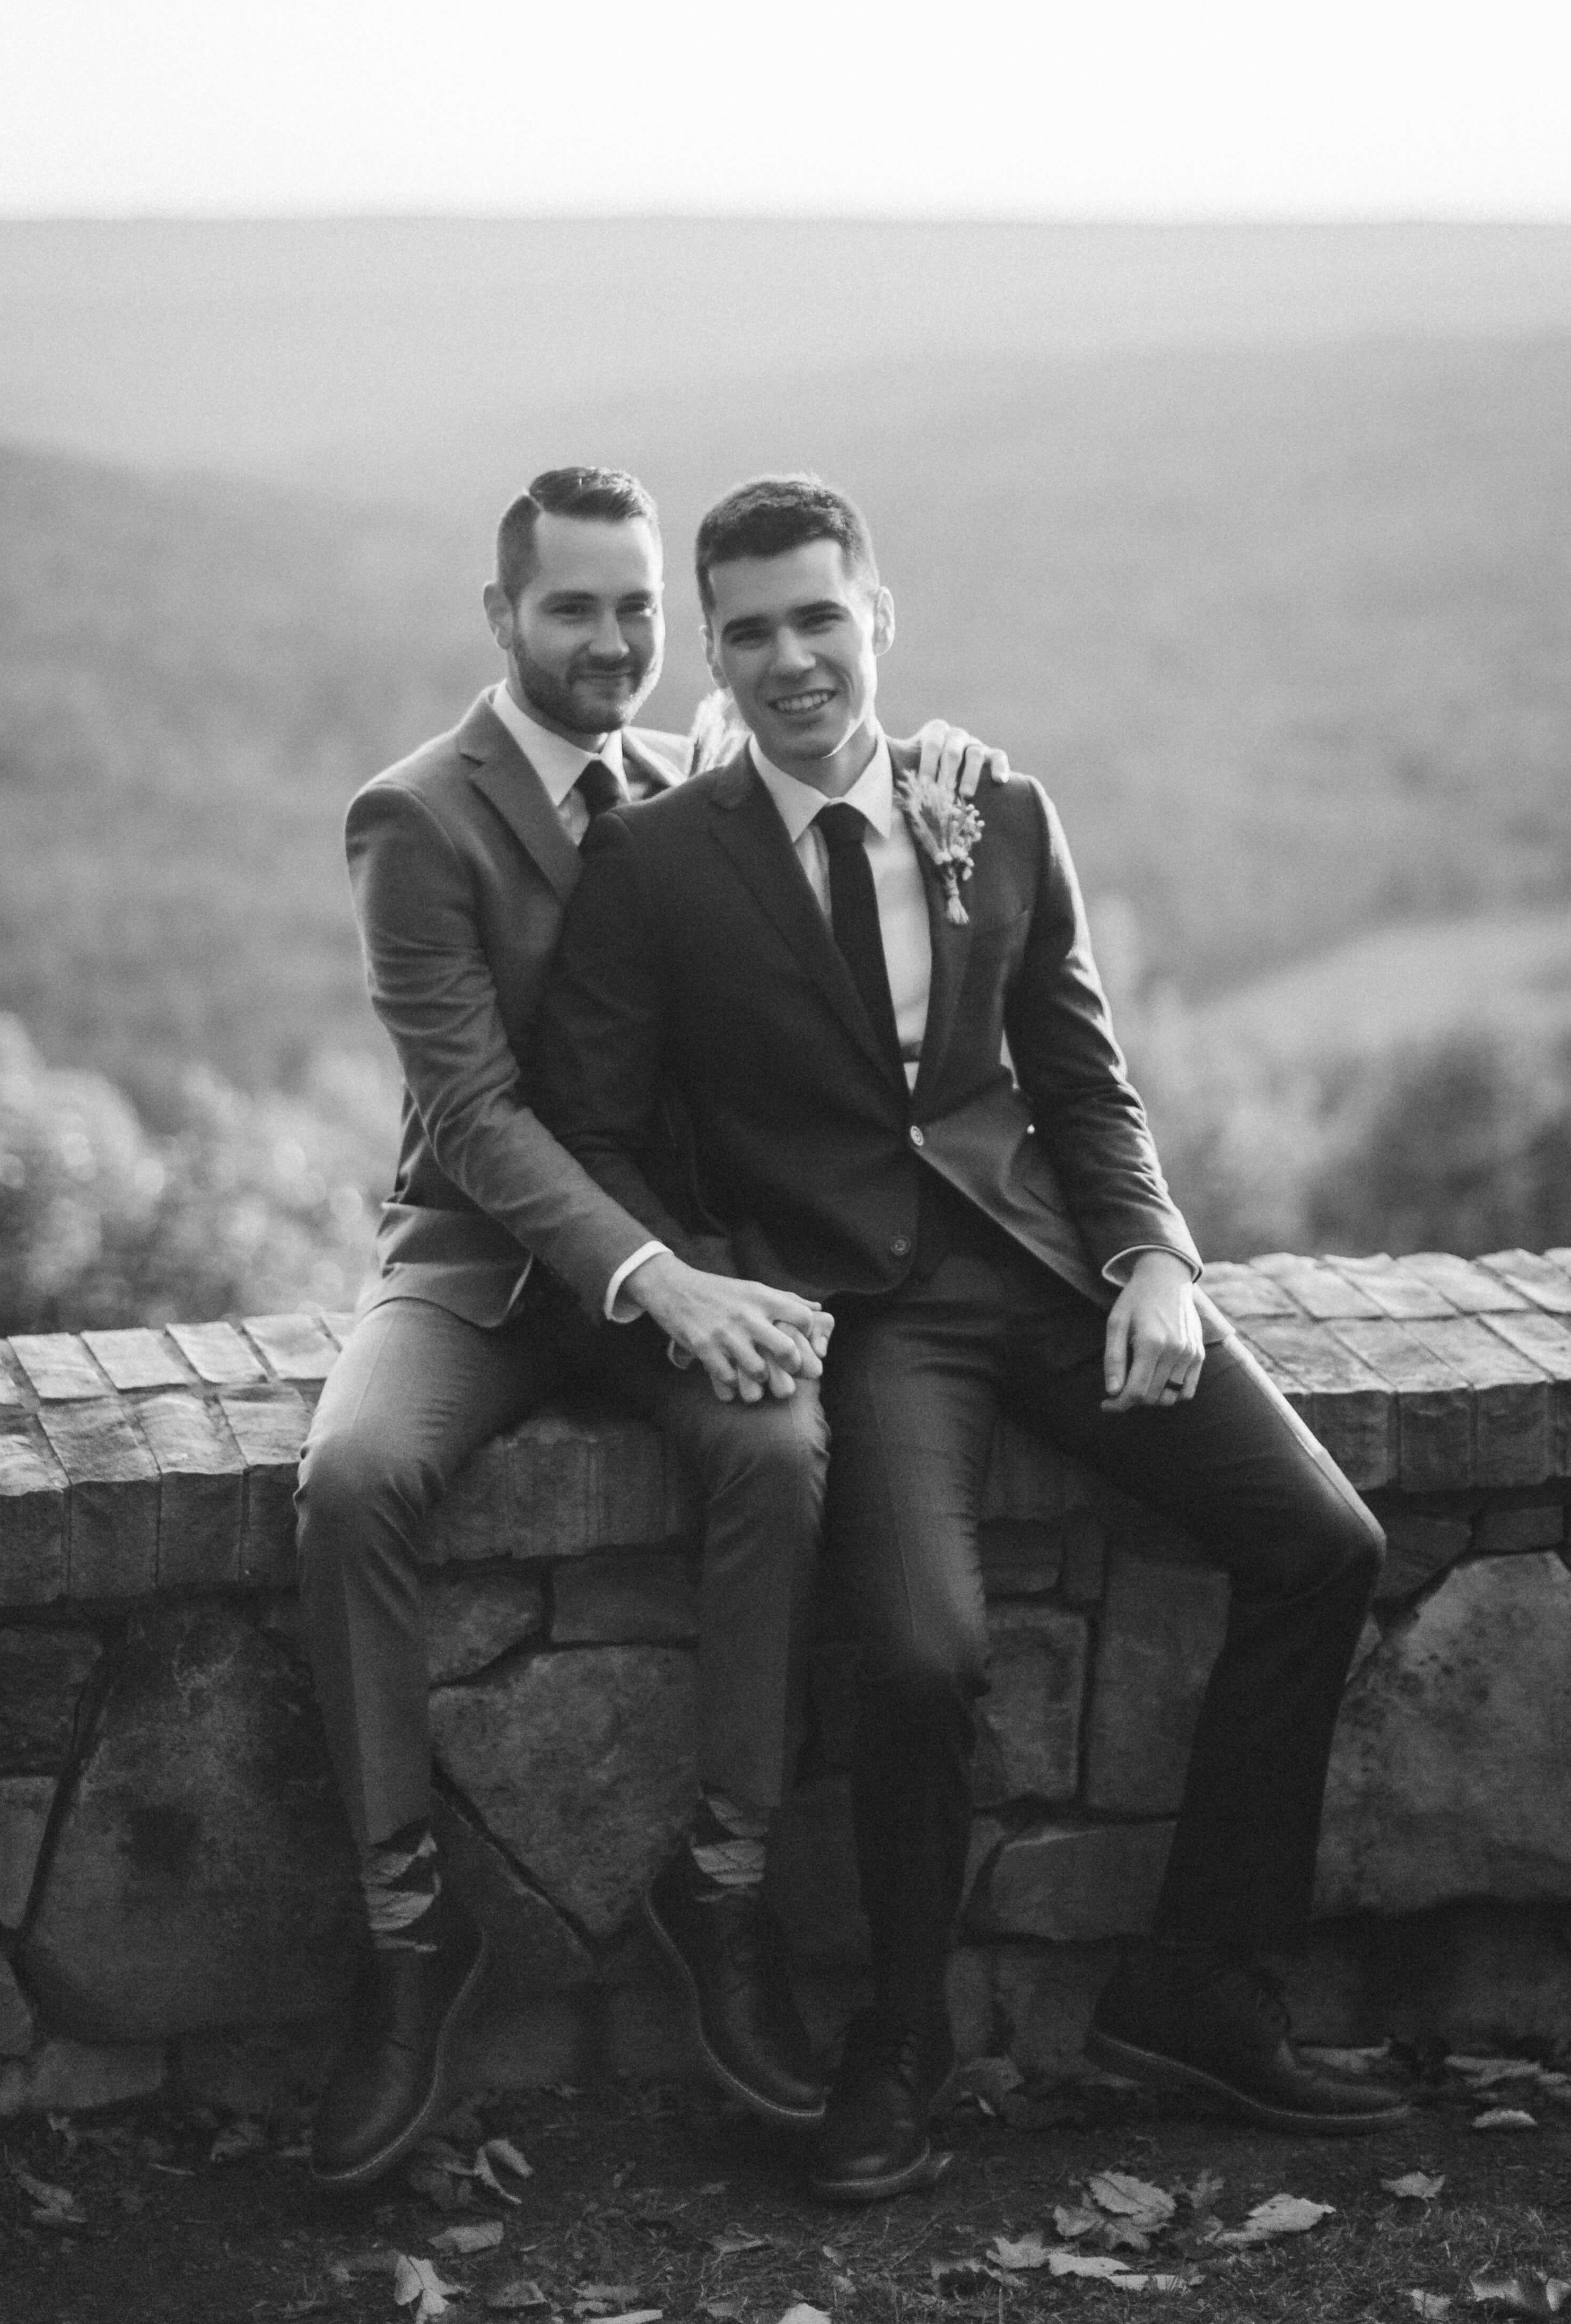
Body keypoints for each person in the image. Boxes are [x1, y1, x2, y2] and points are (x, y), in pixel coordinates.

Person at [531, 473, 1407, 2205]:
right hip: (867, 1318)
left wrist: (1157, 1257)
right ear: (716, 653)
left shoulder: (994, 804)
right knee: (919, 1658)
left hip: (1051, 1268)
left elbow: (1081, 1075)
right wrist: (711, 1284)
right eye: (755, 632)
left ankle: (1201, 1987)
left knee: (1323, 1541)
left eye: (821, 618)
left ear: (880, 617)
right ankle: (904, 2038)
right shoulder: (655, 863)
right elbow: (589, 1125)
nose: (796, 660)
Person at [296, 464, 1003, 2191]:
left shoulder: (692, 771)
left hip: (678, 1248)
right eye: (573, 607)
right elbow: (472, 1112)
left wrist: (943, 775)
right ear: (502, 617)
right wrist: (666, 1281)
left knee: (778, 1442)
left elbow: (820, 800)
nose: (612, 640)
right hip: (480, 1264)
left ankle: (731, 1883)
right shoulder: (417, 816)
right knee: (350, 1477)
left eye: (636, 609)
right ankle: (408, 1937)